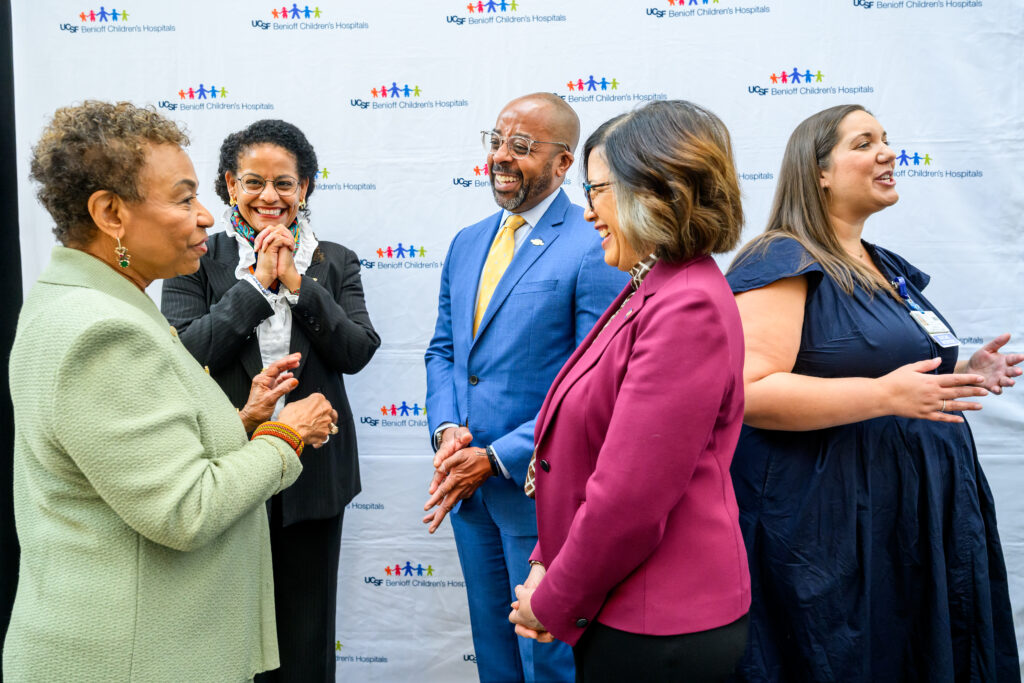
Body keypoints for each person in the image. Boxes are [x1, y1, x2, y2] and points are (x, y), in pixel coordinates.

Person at [3, 101, 337, 682]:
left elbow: (133, 461)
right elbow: (184, 509)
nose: (205, 216)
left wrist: (243, 421)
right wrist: (288, 433)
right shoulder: (101, 331)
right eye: (184, 200)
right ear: (110, 213)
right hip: (134, 658)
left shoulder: (97, 304)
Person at [724, 104, 1022, 681]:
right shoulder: (781, 257)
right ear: (818, 173)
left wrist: (965, 371)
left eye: (886, 139)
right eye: (864, 143)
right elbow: (750, 392)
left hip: (910, 513)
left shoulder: (883, 264)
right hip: (832, 521)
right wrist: (885, 397)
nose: (888, 152)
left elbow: (883, 366)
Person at [508, 100, 752, 683]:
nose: (588, 211)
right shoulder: (655, 284)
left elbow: (628, 499)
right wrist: (546, 560)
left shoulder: (685, 304)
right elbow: (584, 451)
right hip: (625, 607)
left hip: (659, 625)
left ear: (656, 189)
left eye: (597, 190)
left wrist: (554, 598)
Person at [162, 119, 380, 683]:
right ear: (229, 185)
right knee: (228, 635)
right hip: (223, 470)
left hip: (315, 474)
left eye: (284, 183)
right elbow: (186, 354)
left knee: (306, 639)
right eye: (253, 182)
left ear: (304, 187)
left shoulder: (335, 260)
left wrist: (299, 285)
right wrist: (258, 283)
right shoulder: (195, 257)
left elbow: (357, 351)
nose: (269, 196)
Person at [423, 92, 627, 682]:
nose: (501, 157)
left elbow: (591, 384)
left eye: (521, 146)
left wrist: (497, 457)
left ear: (564, 164)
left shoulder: (594, 244)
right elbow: (444, 351)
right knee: (493, 653)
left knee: (547, 659)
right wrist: (447, 430)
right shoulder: (467, 242)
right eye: (496, 141)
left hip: (542, 495)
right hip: (466, 492)